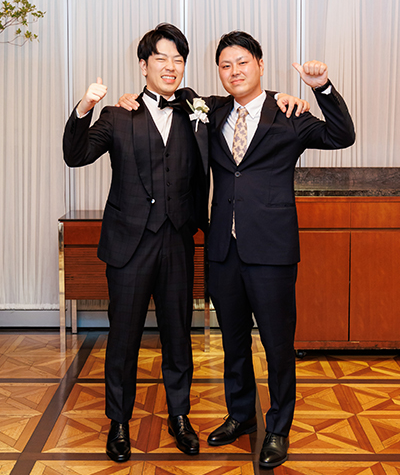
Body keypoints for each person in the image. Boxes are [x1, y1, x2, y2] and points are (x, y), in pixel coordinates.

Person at [63, 23, 307, 463]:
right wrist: (85, 107)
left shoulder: (199, 109)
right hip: (129, 245)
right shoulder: (118, 115)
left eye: (178, 59)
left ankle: (180, 417)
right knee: (123, 340)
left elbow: (247, 96)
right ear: (144, 65)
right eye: (161, 58)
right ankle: (118, 423)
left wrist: (285, 97)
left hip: (179, 241)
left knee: (179, 338)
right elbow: (75, 155)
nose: (170, 67)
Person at [118, 30, 355, 468]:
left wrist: (320, 89)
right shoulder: (210, 111)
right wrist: (131, 98)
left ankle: (278, 427)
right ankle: (241, 415)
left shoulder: (289, 113)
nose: (234, 71)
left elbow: (342, 135)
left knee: (278, 346)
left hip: (272, 250)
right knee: (234, 343)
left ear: (260, 65)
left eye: (242, 62)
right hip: (223, 251)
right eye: (225, 65)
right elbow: (166, 98)